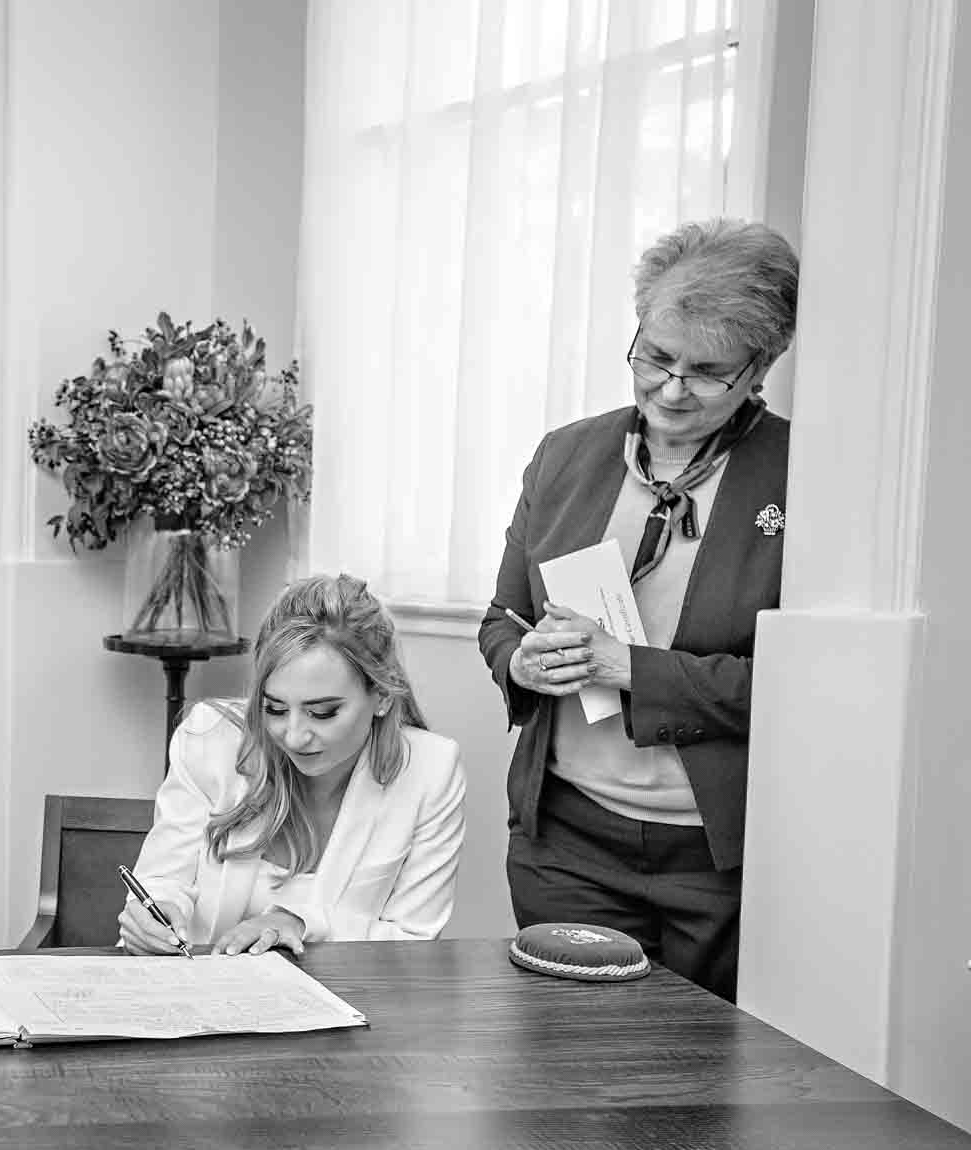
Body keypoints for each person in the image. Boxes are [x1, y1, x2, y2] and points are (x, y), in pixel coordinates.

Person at [478, 218, 799, 1002]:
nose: (670, 387)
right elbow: (502, 618)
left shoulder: (799, 476)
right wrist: (519, 661)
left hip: (716, 858)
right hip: (567, 841)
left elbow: (802, 689)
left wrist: (634, 669)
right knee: (565, 1072)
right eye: (655, 356)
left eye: (706, 370)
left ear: (759, 367)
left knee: (692, 1094)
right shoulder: (566, 456)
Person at [119, 573, 466, 957]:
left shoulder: (431, 770)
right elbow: (164, 878)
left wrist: (299, 923)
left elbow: (413, 941)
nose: (294, 736)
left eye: (323, 712)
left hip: (349, 1007)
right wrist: (157, 910)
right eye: (275, 708)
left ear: (381, 696)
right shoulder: (209, 739)